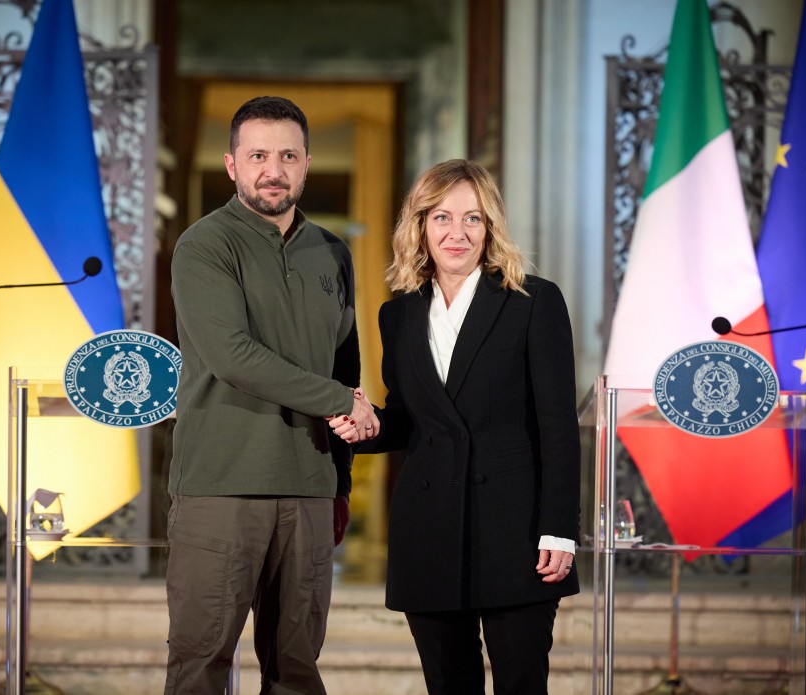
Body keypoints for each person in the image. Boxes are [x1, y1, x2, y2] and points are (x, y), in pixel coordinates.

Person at [330, 159, 580, 694]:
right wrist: (366, 426)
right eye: (442, 217)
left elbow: (559, 427)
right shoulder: (398, 316)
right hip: (430, 529)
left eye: (473, 218)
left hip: (516, 532)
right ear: (420, 225)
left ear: (490, 227)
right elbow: (410, 421)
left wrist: (559, 528)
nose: (457, 232)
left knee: (521, 684)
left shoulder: (533, 302)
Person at [166, 95, 378, 695]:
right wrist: (340, 401)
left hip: (310, 487)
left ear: (306, 163)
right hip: (221, 486)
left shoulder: (332, 251)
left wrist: (341, 483)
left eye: (287, 156)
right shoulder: (204, 245)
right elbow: (233, 355)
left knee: (297, 672)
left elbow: (345, 366)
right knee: (200, 666)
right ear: (232, 164)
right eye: (258, 155)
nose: (273, 170)